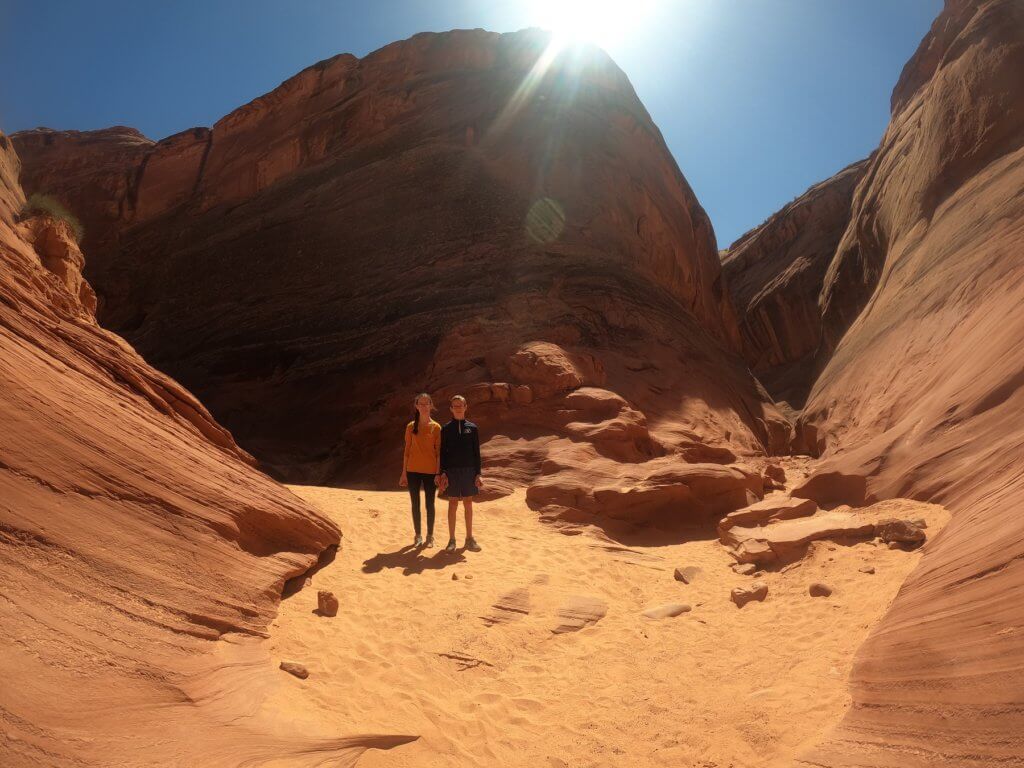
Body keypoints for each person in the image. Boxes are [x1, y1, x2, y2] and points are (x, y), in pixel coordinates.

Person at [438, 394, 483, 552]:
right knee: (452, 504)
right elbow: (442, 453)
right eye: (455, 405)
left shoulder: (472, 428)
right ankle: (451, 540)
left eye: (460, 405)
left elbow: (476, 453)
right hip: (452, 471)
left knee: (468, 503)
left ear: (465, 407)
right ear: (451, 408)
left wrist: (478, 473)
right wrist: (442, 472)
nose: (458, 408)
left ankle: (469, 539)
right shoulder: (446, 429)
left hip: (469, 471)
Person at [399, 392, 442, 548]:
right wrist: (404, 472)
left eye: (427, 403)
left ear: (431, 405)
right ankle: (418, 535)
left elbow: (438, 453)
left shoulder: (436, 427)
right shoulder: (411, 426)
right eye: (421, 404)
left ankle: (430, 536)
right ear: (416, 406)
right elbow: (407, 451)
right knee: (415, 504)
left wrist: (438, 473)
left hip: (430, 472)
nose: (424, 407)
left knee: (430, 504)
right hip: (412, 471)